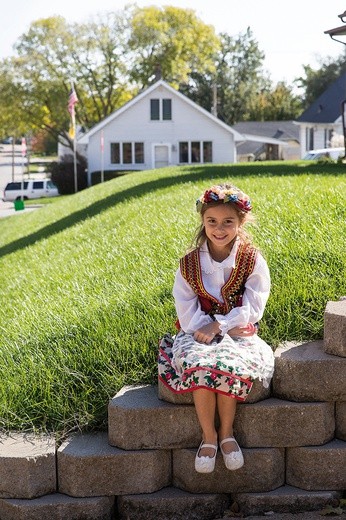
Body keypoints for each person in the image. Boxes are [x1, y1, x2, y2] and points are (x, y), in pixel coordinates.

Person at [158, 183, 274, 474]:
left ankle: (227, 433)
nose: (219, 229)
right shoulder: (189, 265)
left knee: (229, 362)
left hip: (237, 334)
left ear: (240, 223)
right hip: (195, 333)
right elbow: (187, 314)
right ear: (203, 221)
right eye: (212, 221)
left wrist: (220, 325)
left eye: (227, 222)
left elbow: (254, 306)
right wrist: (206, 329)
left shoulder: (251, 259)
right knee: (200, 363)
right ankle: (208, 435)